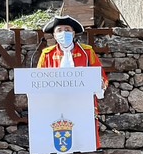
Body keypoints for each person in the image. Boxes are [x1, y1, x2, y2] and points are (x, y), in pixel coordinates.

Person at [37, 14, 108, 145]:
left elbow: (101, 76)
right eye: (59, 30)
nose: (63, 33)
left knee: (86, 141)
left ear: (73, 33)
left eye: (67, 30)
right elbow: (38, 81)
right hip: (56, 105)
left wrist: (98, 84)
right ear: (54, 35)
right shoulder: (47, 55)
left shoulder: (87, 52)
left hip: (83, 105)